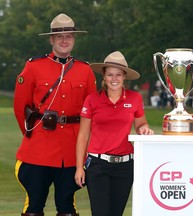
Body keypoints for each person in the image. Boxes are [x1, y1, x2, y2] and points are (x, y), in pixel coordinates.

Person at [13, 13, 97, 216]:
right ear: (51, 39)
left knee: (67, 207)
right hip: (39, 147)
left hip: (71, 150)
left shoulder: (85, 70)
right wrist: (32, 133)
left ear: (74, 39)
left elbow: (91, 112)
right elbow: (20, 107)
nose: (65, 40)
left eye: (69, 35)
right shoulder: (34, 67)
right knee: (33, 207)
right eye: (60, 36)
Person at [74, 51, 154, 216]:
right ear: (103, 76)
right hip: (97, 165)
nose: (114, 79)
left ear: (124, 76)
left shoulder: (135, 98)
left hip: (125, 166)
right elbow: (82, 136)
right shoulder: (92, 99)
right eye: (110, 74)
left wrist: (144, 129)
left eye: (118, 74)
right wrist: (79, 168)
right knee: (100, 213)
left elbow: (141, 123)